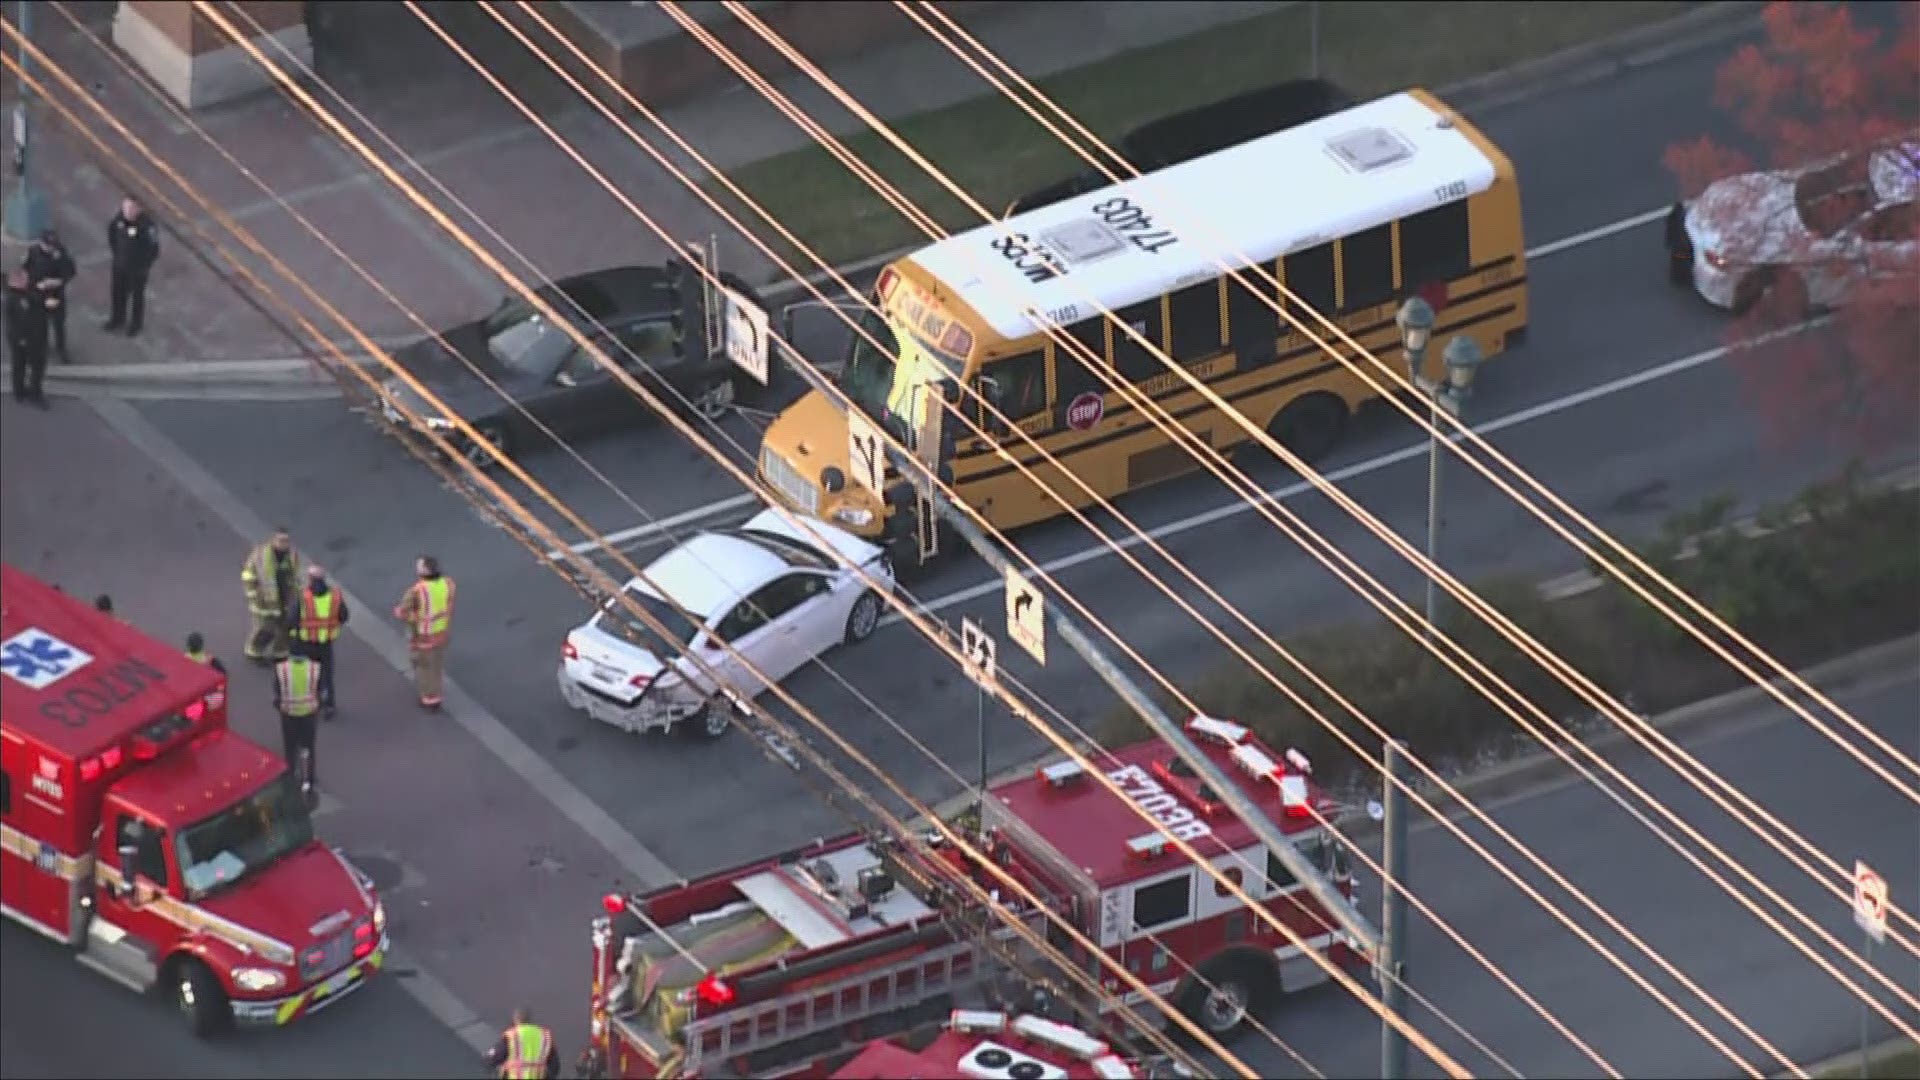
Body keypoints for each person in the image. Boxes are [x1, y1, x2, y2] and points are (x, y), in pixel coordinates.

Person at [392, 554, 454, 711]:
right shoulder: (448, 583)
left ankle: (429, 700)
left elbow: (403, 613)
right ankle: (436, 693)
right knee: (436, 666)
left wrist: (401, 613)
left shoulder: (417, 591)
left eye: (419, 566)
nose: (416, 568)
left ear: (425, 570)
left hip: (423, 636)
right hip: (441, 632)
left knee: (423, 668)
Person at [290, 564, 348, 719]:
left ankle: (311, 702)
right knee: (327, 675)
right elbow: (343, 616)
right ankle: (329, 704)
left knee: (308, 674)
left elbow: (292, 619)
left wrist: (293, 634)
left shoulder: (303, 597)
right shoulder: (335, 595)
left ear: (309, 579)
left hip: (306, 642)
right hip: (326, 643)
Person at [241, 527, 304, 663]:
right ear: (273, 540)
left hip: (285, 599)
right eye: (281, 540)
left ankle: (280, 653)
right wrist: (255, 596)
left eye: (286, 541)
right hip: (264, 601)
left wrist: (297, 595)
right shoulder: (259, 555)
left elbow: (296, 576)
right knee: (265, 629)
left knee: (285, 628)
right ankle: (254, 652)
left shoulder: (292, 555)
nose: (284, 544)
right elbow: (248, 576)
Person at [104, 196, 160, 337]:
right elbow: (112, 235)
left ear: (138, 209)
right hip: (120, 265)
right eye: (125, 207)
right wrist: (117, 255)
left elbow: (154, 249)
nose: (126, 211)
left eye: (130, 208)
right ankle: (117, 319)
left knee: (136, 297)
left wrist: (144, 266)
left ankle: (136, 324)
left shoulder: (147, 226)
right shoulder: (119, 220)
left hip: (137, 270)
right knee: (117, 293)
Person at [272, 652, 323, 801]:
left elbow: (277, 691)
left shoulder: (282, 669)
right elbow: (320, 690)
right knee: (308, 748)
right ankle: (308, 779)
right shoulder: (315, 668)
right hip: (309, 715)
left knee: (290, 747)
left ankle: (290, 778)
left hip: (289, 714)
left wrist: (280, 704)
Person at [23, 229, 76, 362]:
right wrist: (36, 285)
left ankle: (61, 349)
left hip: (56, 295)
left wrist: (59, 281)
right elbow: (26, 272)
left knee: (58, 323)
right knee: (41, 324)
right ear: (41, 243)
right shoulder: (33, 252)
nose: (50, 248)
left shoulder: (61, 252)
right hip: (39, 295)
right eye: (48, 245)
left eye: (53, 245)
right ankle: (42, 347)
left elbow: (70, 271)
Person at [4, 267, 49, 407]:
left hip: (27, 337)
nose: (27, 280)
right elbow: (17, 322)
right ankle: (33, 394)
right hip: (27, 339)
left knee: (20, 365)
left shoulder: (21, 294)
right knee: (35, 366)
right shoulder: (14, 299)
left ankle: (19, 391)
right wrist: (20, 339)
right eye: (24, 279)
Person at [486, 1008, 560, 1079]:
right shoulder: (544, 1035)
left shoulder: (512, 1035)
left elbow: (493, 1058)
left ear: (516, 1018)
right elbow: (555, 1066)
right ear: (530, 1020)